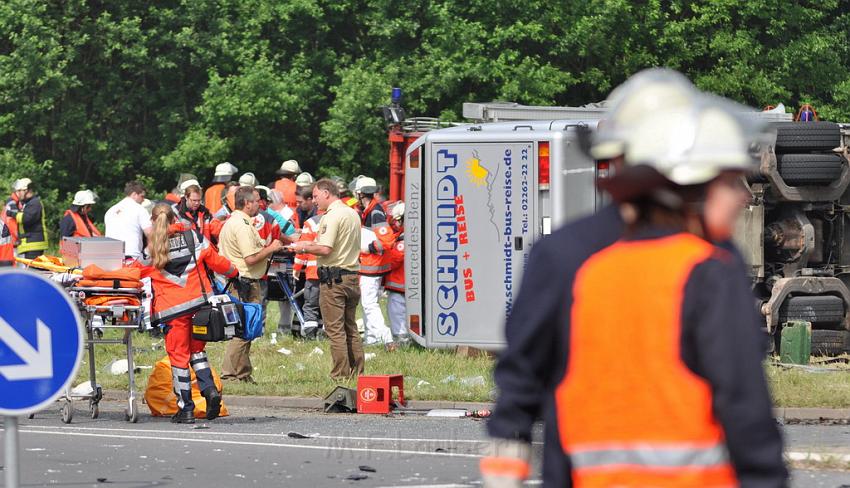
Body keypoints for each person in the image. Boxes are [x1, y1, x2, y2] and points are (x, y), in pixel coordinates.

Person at [482, 97, 787, 486]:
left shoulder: (577, 259)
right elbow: (744, 402)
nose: (742, 196)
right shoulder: (707, 267)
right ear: (690, 185)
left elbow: (526, 372)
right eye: (728, 181)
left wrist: (505, 467)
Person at [133, 203, 238, 423]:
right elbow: (217, 262)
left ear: (154, 221)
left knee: (179, 357)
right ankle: (209, 390)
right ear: (175, 218)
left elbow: (135, 270)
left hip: (172, 311)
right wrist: (234, 272)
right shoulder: (194, 237)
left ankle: (186, 408)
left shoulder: (152, 247)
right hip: (200, 306)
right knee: (197, 351)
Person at [289, 179, 364, 379]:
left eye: (315, 196)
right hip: (351, 277)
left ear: (326, 193)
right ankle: (358, 373)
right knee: (351, 328)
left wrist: (302, 247)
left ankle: (340, 375)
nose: (313, 201)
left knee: (335, 330)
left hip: (334, 280)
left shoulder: (331, 216)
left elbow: (325, 248)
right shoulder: (352, 213)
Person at [218, 186, 284, 383]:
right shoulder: (242, 226)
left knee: (245, 329)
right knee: (242, 329)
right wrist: (271, 248)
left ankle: (243, 373)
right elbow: (251, 258)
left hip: (240, 281)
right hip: (244, 282)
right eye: (256, 201)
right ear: (247, 203)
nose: (260, 204)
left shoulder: (236, 222)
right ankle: (230, 374)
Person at [355, 176, 395, 347]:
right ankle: (371, 339)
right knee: (367, 303)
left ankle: (385, 339)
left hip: (372, 266)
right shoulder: (370, 210)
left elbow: (387, 240)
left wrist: (369, 248)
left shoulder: (375, 212)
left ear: (360, 193)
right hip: (370, 266)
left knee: (370, 304)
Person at [293, 209, 322, 339]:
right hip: (335, 272)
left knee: (311, 305)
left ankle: (310, 336)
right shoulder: (342, 219)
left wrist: (297, 267)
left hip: (314, 272)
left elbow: (302, 248)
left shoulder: (311, 222)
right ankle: (327, 334)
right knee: (330, 305)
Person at [105, 181, 152, 261]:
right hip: (132, 257)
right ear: (134, 194)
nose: (143, 200)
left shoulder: (110, 211)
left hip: (110, 258)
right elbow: (150, 234)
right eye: (142, 196)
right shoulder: (139, 209)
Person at [384, 202, 407, 343]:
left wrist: (383, 263)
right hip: (404, 284)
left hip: (399, 284)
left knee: (397, 313)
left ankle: (401, 339)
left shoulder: (403, 238)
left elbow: (396, 258)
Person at [13, 178, 48, 259]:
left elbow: (26, 219)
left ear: (26, 190)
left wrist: (12, 214)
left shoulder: (34, 203)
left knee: (32, 270)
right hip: (30, 244)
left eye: (19, 191)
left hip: (33, 245)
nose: (17, 193)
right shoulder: (28, 203)